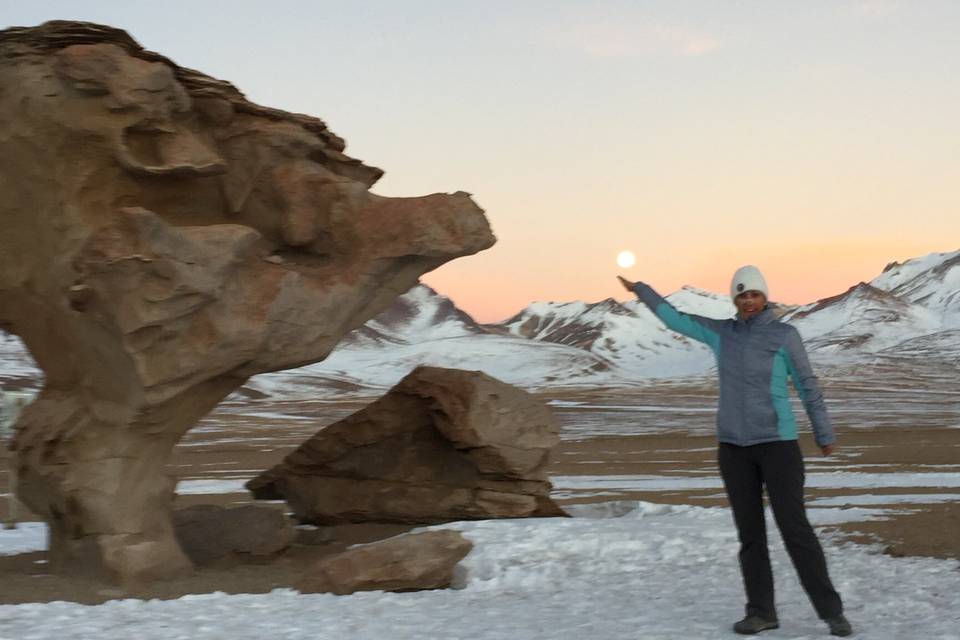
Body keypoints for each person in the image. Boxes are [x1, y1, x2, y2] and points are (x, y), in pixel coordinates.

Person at [618, 266, 853, 637]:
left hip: (777, 446)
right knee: (750, 535)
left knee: (795, 530)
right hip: (733, 449)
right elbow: (676, 320)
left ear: (765, 297)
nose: (749, 301)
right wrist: (642, 290)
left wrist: (823, 432)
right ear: (735, 300)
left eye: (754, 294)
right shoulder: (721, 334)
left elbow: (808, 384)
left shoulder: (784, 336)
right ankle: (761, 612)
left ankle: (831, 611)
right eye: (742, 295)